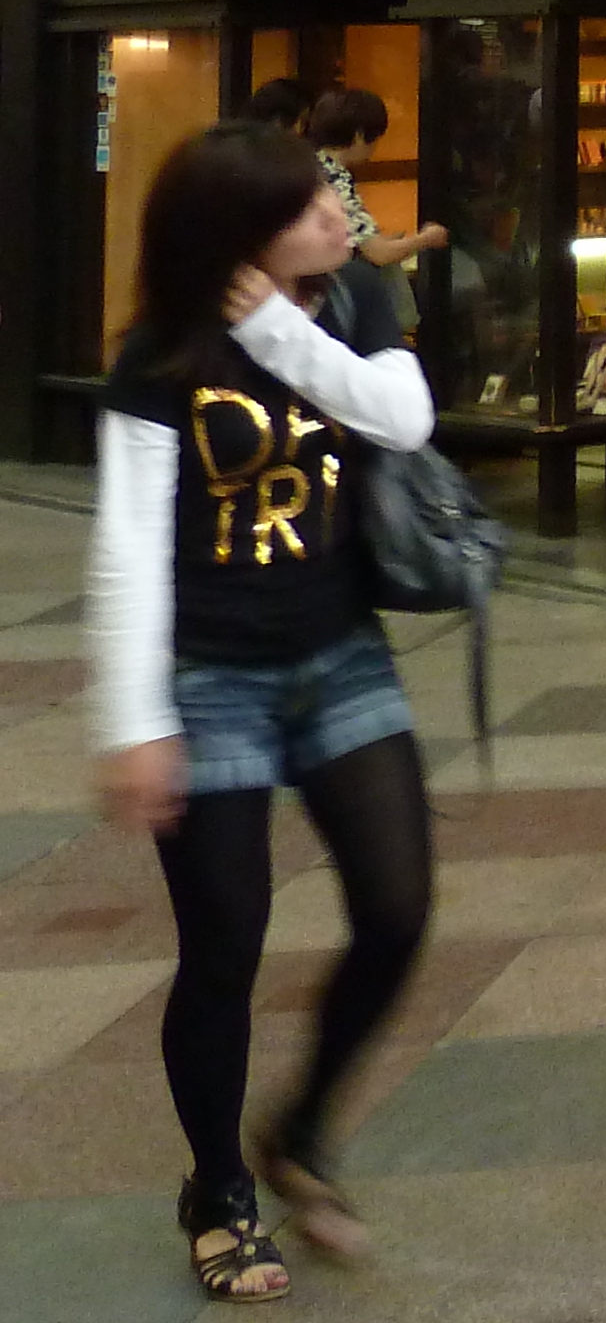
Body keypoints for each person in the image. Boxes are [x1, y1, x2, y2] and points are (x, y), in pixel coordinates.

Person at [88, 124, 440, 1302]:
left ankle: (301, 1131)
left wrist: (278, 327)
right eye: (308, 204)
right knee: (225, 949)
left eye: (334, 195)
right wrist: (139, 722)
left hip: (340, 652)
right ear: (239, 230)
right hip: (212, 674)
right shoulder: (156, 355)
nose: (339, 214)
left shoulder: (350, 304)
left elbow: (404, 419)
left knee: (396, 908)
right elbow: (130, 548)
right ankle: (217, 1187)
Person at [300, 91, 445, 274]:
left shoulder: (307, 166)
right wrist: (426, 238)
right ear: (359, 136)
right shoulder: (334, 180)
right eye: (375, 138)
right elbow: (379, 255)